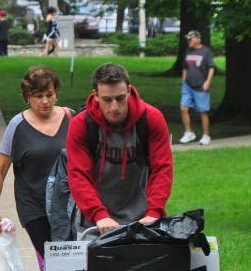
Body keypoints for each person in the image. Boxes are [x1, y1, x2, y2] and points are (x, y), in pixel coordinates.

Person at [0, 66, 72, 271]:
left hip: (67, 204)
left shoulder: (70, 118)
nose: (44, 101)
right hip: (33, 204)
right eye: (37, 96)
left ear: (56, 93)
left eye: (48, 94)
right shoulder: (18, 126)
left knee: (64, 259)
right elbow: (0, 170)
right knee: (54, 259)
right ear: (27, 97)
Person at [67, 62, 173, 234]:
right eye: (107, 100)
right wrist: (98, 214)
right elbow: (78, 174)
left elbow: (162, 168)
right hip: (94, 221)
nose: (114, 107)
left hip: (143, 218)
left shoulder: (151, 119)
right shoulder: (81, 125)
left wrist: (154, 211)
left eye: (120, 98)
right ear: (95, 95)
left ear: (129, 91)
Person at [179, 30, 217, 146]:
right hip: (188, 85)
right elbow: (185, 67)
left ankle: (206, 135)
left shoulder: (206, 51)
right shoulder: (188, 51)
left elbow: (212, 68)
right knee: (183, 108)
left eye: (190, 39)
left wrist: (207, 82)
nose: (188, 41)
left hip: (200, 86)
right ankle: (189, 132)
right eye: (188, 39)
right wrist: (184, 81)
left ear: (197, 39)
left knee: (202, 111)